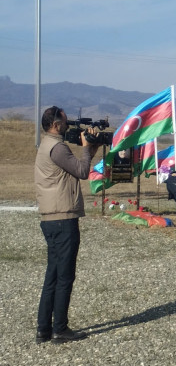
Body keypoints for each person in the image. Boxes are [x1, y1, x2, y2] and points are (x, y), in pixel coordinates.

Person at [34, 106, 102, 344]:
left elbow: (77, 167)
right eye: (65, 122)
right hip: (63, 218)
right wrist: (86, 148)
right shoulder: (58, 147)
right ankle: (60, 329)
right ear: (56, 125)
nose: (69, 126)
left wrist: (90, 149)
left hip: (51, 217)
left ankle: (44, 328)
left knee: (52, 274)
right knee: (64, 276)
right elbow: (82, 171)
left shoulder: (45, 144)